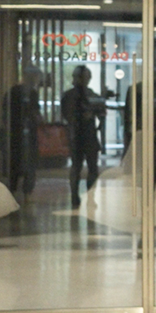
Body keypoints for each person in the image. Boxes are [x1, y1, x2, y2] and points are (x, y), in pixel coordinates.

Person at [60, 65, 105, 208]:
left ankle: (80, 197)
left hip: (81, 135)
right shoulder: (90, 96)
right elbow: (101, 115)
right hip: (83, 134)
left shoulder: (71, 95)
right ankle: (83, 197)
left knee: (81, 167)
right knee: (85, 167)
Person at [4, 66, 43, 199]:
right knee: (28, 161)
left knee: (15, 161)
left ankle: (13, 189)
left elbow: (6, 112)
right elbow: (35, 113)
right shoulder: (31, 93)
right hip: (25, 132)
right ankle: (26, 191)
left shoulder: (12, 91)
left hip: (14, 131)